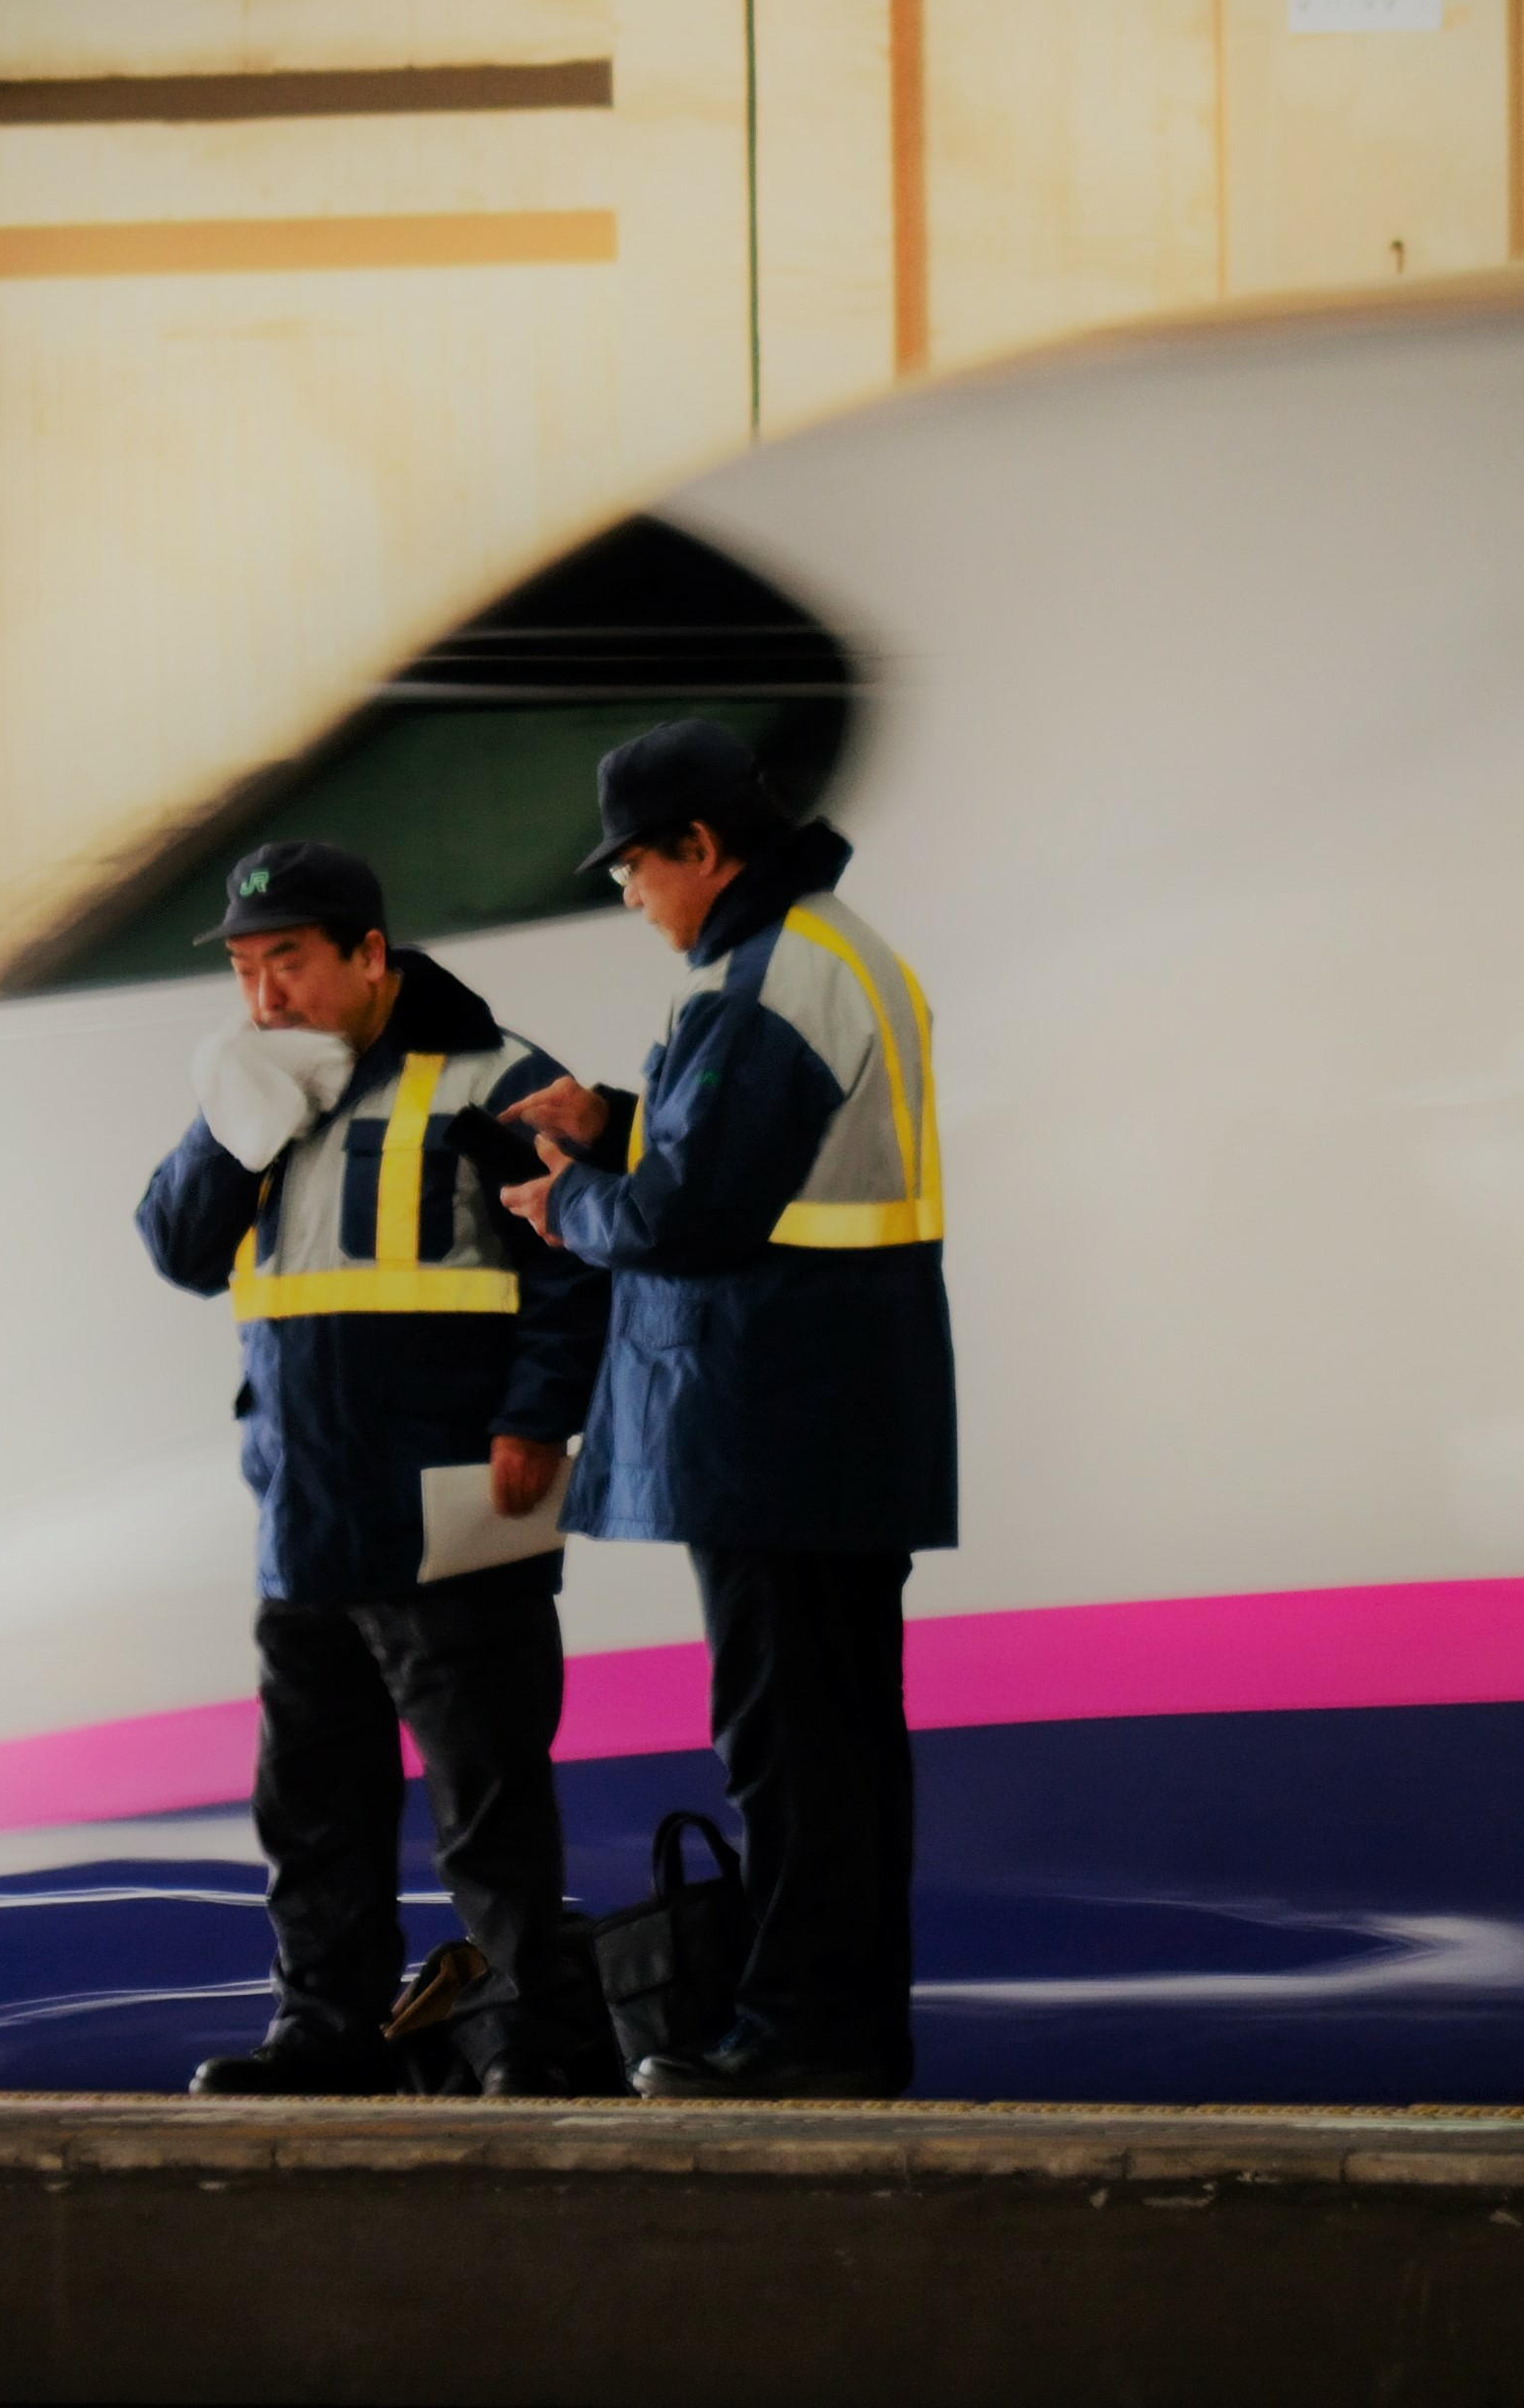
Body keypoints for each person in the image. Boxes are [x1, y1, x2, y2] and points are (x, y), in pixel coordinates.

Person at [496, 722, 956, 2099]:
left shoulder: (771, 980)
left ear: (700, 848)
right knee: (839, 1747)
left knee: (793, 1749)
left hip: (774, 1413)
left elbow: (694, 1214)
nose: (628, 894)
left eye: (632, 867)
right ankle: (845, 2033)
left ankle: (798, 2035)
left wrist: (570, 1202)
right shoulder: (823, 954)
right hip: (831, 1407)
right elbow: (754, 1156)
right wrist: (614, 1122)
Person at [134, 840, 618, 2096]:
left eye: (288, 962)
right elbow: (179, 1251)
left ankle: (536, 2042)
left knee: (488, 1802)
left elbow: (577, 1264)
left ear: (367, 953)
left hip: (454, 1502)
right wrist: (236, 1123)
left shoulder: (498, 1077)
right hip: (305, 1510)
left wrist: (539, 1417)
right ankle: (324, 2034)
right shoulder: (255, 1083)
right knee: (312, 1804)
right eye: (245, 969)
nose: (265, 996)